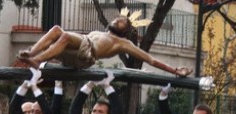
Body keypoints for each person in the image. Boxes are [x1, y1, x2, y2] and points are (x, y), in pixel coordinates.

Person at [17, 9, 191, 76]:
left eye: (123, 21)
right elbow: (70, 40)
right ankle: (32, 54)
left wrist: (174, 70)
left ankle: (38, 60)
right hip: (77, 50)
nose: (118, 19)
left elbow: (150, 60)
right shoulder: (97, 32)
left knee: (65, 36)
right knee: (56, 30)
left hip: (87, 55)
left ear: (126, 30)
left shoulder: (122, 43)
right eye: (118, 18)